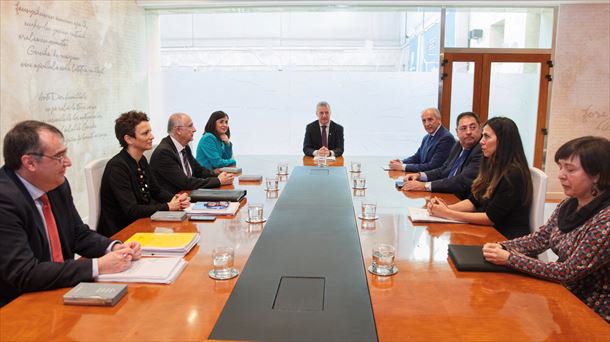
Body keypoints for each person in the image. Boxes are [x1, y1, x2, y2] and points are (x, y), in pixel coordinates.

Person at [0, 121, 141, 307]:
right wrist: (97, 266)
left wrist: (113, 248)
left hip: (60, 289)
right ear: (30, 163)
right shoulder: (5, 200)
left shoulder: (57, 185)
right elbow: (24, 273)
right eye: (59, 156)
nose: (68, 162)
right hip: (19, 305)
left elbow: (77, 234)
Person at [483, 136, 610, 322]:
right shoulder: (570, 203)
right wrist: (501, 246)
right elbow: (540, 239)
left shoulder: (605, 220)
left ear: (596, 175)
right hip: (564, 296)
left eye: (571, 169)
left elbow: (569, 272)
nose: (561, 175)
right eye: (560, 167)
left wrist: (510, 258)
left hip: (592, 310)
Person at [427, 117, 533, 239]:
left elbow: (490, 218)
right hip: (487, 232)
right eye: (482, 136)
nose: (482, 141)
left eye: (487, 136)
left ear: (503, 141)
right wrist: (443, 208)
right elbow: (474, 201)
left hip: (505, 240)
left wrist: (448, 213)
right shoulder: (492, 165)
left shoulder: (514, 174)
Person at [98, 111, 190, 237]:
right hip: (122, 233)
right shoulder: (117, 167)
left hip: (142, 223)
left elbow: (156, 191)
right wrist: (168, 206)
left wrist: (176, 199)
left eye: (150, 131)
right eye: (145, 133)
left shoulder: (141, 160)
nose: (152, 136)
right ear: (128, 139)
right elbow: (132, 210)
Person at [402, 112, 483, 200]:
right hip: (446, 194)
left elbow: (461, 181)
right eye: (463, 128)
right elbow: (443, 170)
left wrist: (425, 186)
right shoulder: (458, 145)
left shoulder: (481, 150)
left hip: (460, 200)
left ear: (480, 129)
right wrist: (419, 175)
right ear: (457, 132)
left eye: (473, 127)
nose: (468, 132)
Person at [150, 113, 234, 194]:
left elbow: (199, 171)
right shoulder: (164, 152)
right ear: (178, 130)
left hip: (186, 194)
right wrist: (218, 181)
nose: (194, 129)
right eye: (190, 126)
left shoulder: (185, 147)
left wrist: (218, 175)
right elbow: (185, 182)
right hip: (173, 201)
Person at [388, 107, 454, 172]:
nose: (427, 124)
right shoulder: (426, 137)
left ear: (439, 120)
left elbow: (433, 166)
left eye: (430, 119)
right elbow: (417, 157)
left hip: (435, 180)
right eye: (424, 121)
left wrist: (403, 167)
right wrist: (401, 162)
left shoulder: (446, 138)